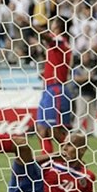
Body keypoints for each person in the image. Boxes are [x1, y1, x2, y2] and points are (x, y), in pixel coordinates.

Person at [35, 17, 73, 154]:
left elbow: (46, 37)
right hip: (48, 89)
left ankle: (73, 156)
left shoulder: (60, 40)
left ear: (58, 26)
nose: (50, 24)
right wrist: (46, 73)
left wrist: (29, 24)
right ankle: (48, 161)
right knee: (41, 129)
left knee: (54, 131)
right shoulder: (57, 45)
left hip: (56, 90)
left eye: (53, 22)